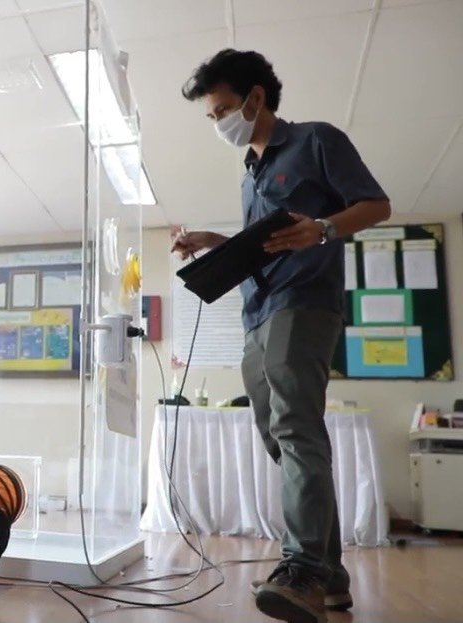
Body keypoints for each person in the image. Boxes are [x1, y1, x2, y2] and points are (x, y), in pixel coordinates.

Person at [172, 49, 390, 623]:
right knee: (279, 438)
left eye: (222, 110)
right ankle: (330, 575)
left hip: (305, 302)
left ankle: (304, 571)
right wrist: (214, 243)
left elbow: (376, 205)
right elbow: (262, 247)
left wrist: (323, 229)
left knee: (296, 430)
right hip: (258, 313)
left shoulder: (316, 140)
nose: (217, 123)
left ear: (255, 98)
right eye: (211, 116)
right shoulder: (251, 173)